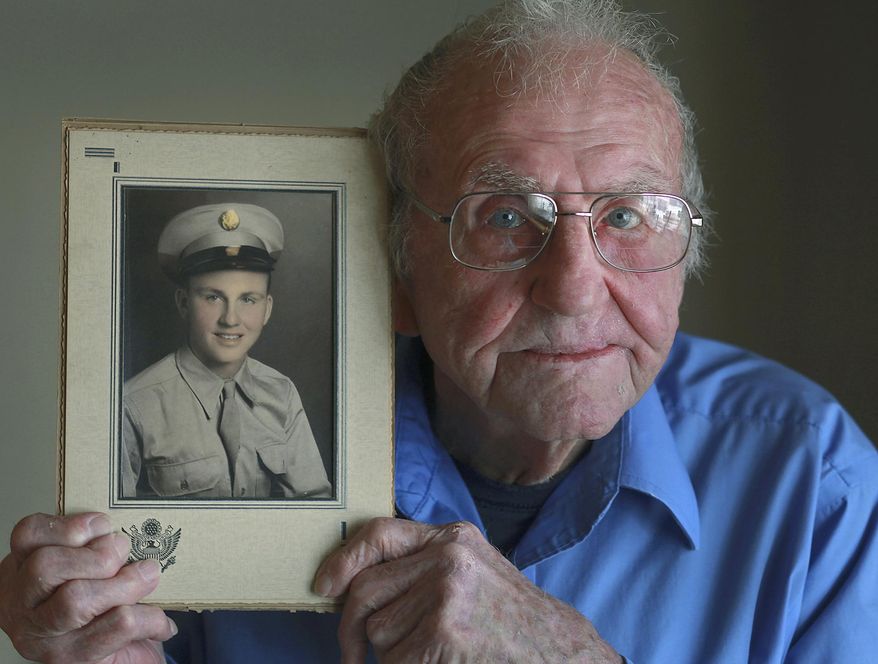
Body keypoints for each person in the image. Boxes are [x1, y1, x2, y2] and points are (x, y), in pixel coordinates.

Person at [1, 1, 876, 662]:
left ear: (686, 248)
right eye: (502, 216)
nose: (573, 289)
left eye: (629, 215)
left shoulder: (812, 484)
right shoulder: (231, 492)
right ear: (397, 269)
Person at [121, 202, 331, 499]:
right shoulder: (135, 405)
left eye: (248, 299)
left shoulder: (281, 394)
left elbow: (315, 508)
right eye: (213, 297)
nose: (230, 319)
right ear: (183, 303)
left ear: (267, 309)